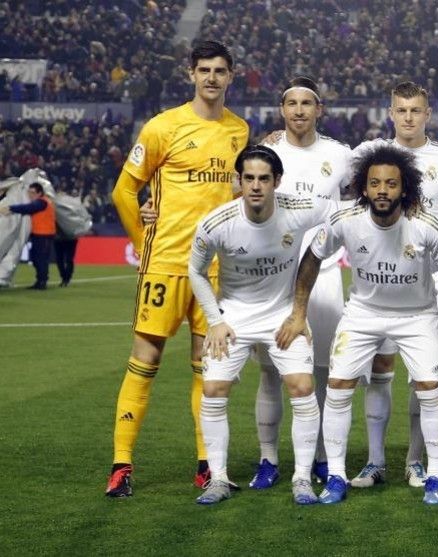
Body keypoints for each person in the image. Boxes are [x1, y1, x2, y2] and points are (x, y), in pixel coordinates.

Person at [275, 144, 438, 505]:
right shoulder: (346, 219)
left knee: (429, 387)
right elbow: (312, 257)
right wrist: (298, 313)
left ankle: (435, 475)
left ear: (404, 188)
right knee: (338, 385)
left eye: (391, 184)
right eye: (375, 183)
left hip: (416, 316)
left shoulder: (426, 225)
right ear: (363, 187)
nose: (382, 190)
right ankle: (336, 476)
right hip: (363, 314)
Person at [105, 39, 249, 497]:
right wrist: (141, 243)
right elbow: (124, 191)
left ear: (230, 76)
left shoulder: (239, 130)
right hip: (166, 263)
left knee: (208, 367)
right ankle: (122, 465)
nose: (211, 78)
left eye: (219, 70)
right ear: (192, 74)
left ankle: (207, 465)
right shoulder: (162, 127)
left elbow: (235, 194)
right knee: (145, 359)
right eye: (204, 70)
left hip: (216, 270)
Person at [350, 81, 438, 489]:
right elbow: (324, 172)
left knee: (424, 379)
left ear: (427, 114)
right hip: (378, 280)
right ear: (390, 113)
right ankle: (374, 461)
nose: (408, 117)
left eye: (415, 110)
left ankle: (415, 461)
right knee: (379, 370)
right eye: (401, 110)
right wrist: (277, 140)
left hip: (427, 282)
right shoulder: (371, 155)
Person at [188, 146, 324, 505]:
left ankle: (301, 479)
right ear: (239, 180)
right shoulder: (217, 223)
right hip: (233, 316)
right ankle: (218, 479)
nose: (256, 186)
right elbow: (195, 271)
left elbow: (345, 212)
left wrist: (299, 312)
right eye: (248, 178)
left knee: (302, 386)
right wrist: (215, 320)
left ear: (277, 181)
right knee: (213, 389)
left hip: (282, 315)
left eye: (264, 178)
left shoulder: (299, 209)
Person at [250, 76, 355, 490]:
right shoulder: (267, 152)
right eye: (291, 103)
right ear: (282, 110)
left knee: (325, 371)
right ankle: (268, 459)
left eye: (306, 103)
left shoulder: (340, 155)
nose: (298, 110)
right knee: (270, 372)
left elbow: (361, 199)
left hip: (324, 274)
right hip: (274, 277)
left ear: (319, 109)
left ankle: (324, 458)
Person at [0, 183, 55, 289]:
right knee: (36, 258)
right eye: (29, 192)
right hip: (39, 234)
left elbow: (28, 208)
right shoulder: (42, 202)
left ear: (40, 193)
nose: (30, 195)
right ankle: (40, 281)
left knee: (41, 259)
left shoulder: (42, 202)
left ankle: (42, 282)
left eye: (33, 193)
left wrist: (11, 208)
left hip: (44, 235)